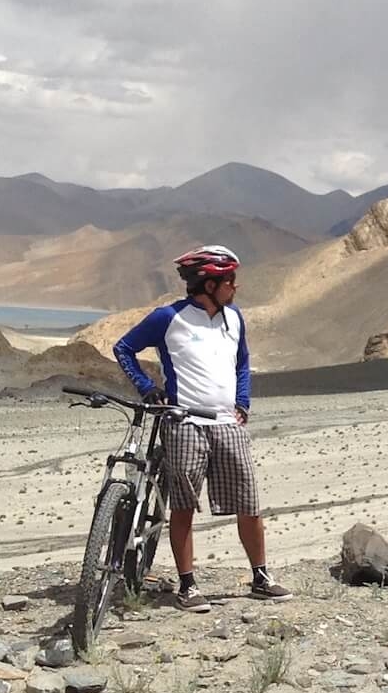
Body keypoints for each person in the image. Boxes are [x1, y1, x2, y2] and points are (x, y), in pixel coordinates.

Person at [113, 245, 290, 609]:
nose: (235, 287)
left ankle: (260, 576)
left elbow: (242, 362)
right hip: (184, 423)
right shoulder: (168, 318)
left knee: (249, 503)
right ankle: (187, 586)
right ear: (208, 284)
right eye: (229, 281)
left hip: (227, 423)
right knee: (184, 506)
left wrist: (243, 402)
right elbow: (124, 348)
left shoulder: (234, 317)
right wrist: (148, 389)